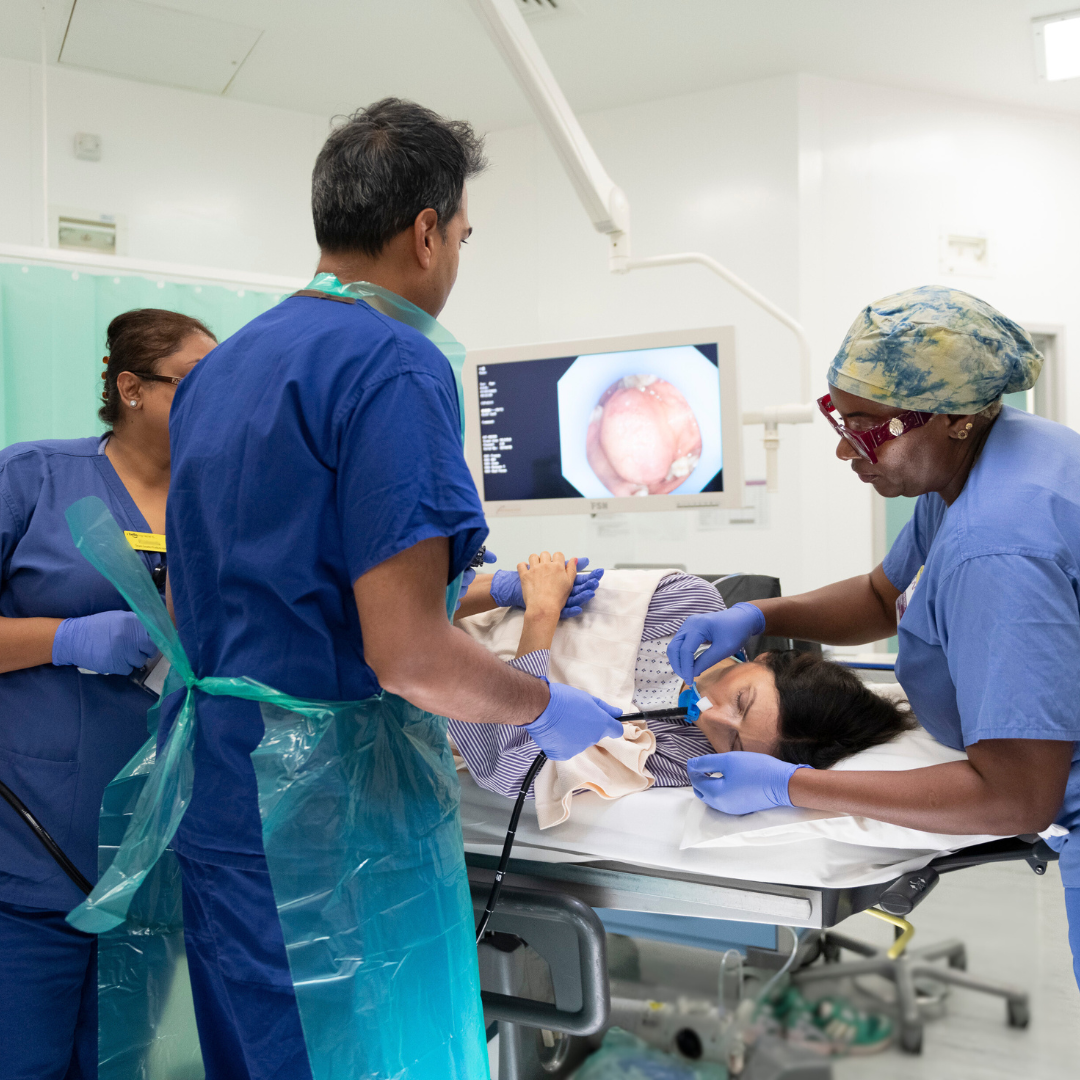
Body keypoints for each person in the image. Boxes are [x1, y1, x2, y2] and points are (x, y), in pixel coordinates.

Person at [162, 99, 622, 1080]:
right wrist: (546, 707)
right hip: (327, 822)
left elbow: (249, 586)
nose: (456, 253)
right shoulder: (397, 364)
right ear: (426, 231)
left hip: (219, 787)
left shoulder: (223, 367)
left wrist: (491, 586)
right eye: (462, 233)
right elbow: (408, 653)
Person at [667, 285, 1080, 986]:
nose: (843, 449)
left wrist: (792, 786)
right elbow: (882, 597)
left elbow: (1017, 797)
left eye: (868, 427)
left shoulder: (998, 543)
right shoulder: (992, 457)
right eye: (839, 416)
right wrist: (766, 614)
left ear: (953, 418)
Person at [0, 309, 216, 1079]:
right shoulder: (34, 477)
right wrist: (65, 637)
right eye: (195, 384)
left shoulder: (217, 506)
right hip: (27, 862)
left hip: (155, 878)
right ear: (132, 388)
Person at [451, 554, 912, 802]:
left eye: (733, 743)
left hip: (436, 699)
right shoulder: (683, 600)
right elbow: (524, 591)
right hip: (439, 627)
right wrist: (501, 587)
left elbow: (505, 765)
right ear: (767, 658)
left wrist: (543, 616)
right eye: (743, 702)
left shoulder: (685, 758)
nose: (716, 719)